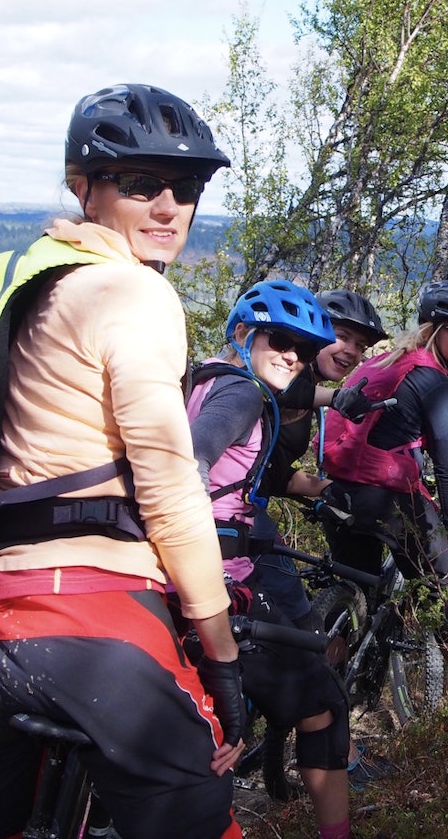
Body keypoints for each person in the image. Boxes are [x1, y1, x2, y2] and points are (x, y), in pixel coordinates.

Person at [0, 84, 244, 839]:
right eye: (141, 185)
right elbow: (171, 483)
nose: (169, 207)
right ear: (84, 187)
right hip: (95, 625)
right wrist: (223, 653)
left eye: (188, 188)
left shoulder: (27, 288)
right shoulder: (135, 293)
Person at [186, 279, 355, 839]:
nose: (293, 356)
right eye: (280, 339)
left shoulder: (204, 376)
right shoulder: (243, 394)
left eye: (304, 350)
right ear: (243, 333)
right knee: (324, 704)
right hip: (210, 588)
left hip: (170, 577)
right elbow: (193, 461)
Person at [240, 287, 394, 793]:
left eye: (359, 343)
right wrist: (339, 400)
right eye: (340, 336)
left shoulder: (301, 385)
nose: (348, 350)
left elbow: (271, 470)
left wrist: (321, 487)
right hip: (239, 525)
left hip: (250, 511)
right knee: (309, 636)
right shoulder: (284, 381)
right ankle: (338, 753)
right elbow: (281, 395)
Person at [321, 279, 448, 690]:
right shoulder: (435, 382)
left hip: (338, 489)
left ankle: (330, 691)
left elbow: (392, 431)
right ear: (432, 330)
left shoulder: (383, 363)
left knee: (355, 594)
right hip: (387, 499)